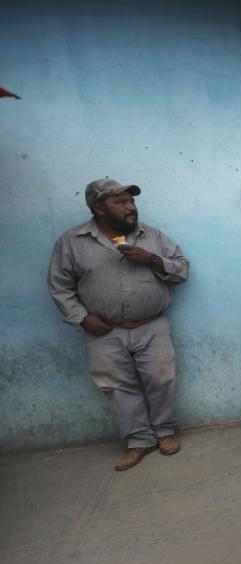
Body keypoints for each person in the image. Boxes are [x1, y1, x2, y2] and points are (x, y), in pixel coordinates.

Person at [48, 179, 189, 472]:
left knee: (162, 379)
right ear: (98, 208)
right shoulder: (72, 241)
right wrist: (82, 318)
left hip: (152, 325)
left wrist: (152, 259)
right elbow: (60, 286)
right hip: (104, 330)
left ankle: (164, 433)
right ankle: (139, 440)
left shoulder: (152, 237)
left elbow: (182, 270)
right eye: (120, 202)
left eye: (131, 201)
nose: (130, 208)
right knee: (118, 387)